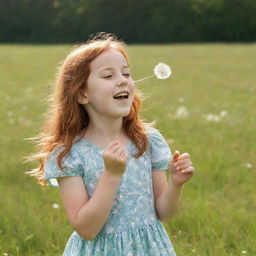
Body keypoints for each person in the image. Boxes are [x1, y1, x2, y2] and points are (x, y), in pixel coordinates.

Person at [27, 32, 195, 256]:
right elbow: (87, 229)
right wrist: (111, 175)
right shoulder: (70, 155)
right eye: (108, 76)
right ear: (81, 94)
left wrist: (176, 184)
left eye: (126, 73)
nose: (123, 79)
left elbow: (164, 213)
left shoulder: (146, 141)